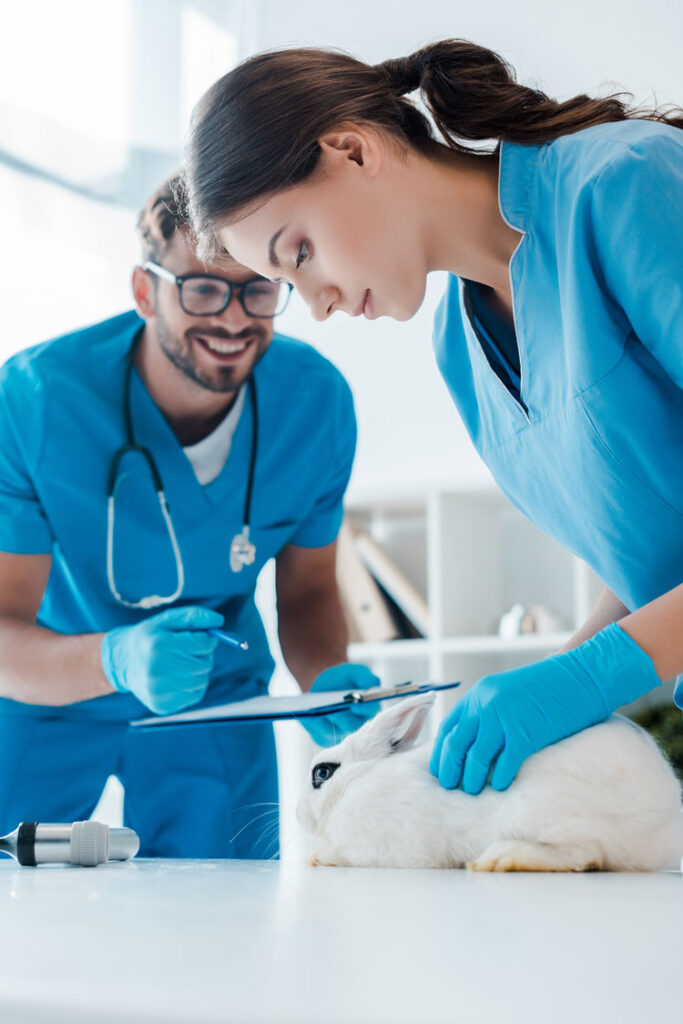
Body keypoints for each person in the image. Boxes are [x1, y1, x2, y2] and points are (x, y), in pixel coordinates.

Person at [181, 40, 683, 797]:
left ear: (350, 151)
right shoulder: (458, 347)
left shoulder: (621, 186)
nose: (315, 304)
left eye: (301, 251)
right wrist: (556, 681)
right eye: (287, 282)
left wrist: (592, 675)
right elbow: (646, 548)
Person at [0, 175, 378, 858]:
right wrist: (115, 657)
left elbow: (310, 587)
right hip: (45, 685)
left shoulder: (314, 404)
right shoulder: (35, 401)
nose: (233, 318)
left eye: (256, 288)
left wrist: (324, 676)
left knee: (222, 919)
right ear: (145, 292)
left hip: (213, 694)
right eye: (201, 288)